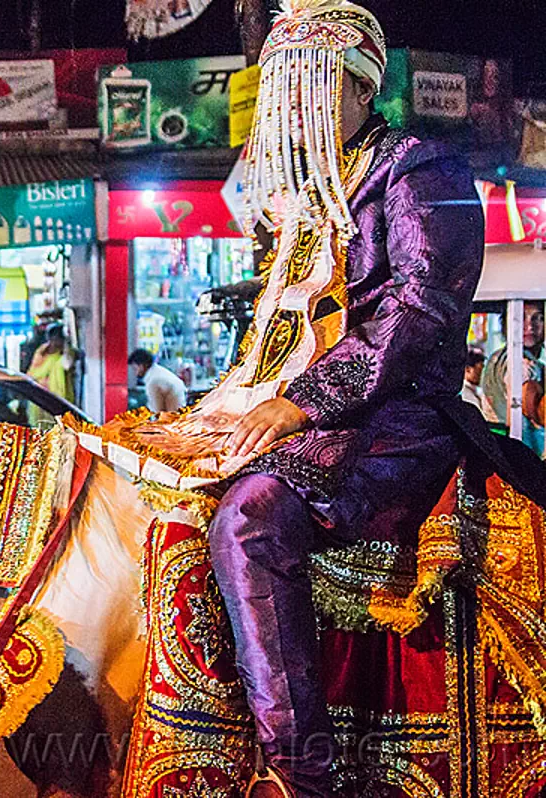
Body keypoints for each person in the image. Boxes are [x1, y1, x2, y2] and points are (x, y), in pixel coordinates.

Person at [113, 3, 487, 795]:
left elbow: (421, 308)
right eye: (286, 95)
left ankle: (300, 772)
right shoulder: (305, 197)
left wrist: (300, 401)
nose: (295, 114)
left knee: (249, 518)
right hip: (317, 416)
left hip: (399, 420)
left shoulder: (423, 170)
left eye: (309, 92)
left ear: (357, 89)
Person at [481, 301, 546, 456]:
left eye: (539, 318)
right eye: (521, 317)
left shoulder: (497, 357)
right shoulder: (522, 363)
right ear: (506, 323)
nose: (530, 327)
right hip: (526, 454)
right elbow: (532, 406)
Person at [27, 323, 76, 404]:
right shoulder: (41, 352)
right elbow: (33, 373)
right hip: (40, 399)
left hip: (59, 401)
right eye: (53, 339)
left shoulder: (63, 356)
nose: (55, 342)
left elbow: (67, 364)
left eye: (58, 339)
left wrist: (67, 346)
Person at [129, 348, 187, 413]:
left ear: (142, 366)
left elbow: (157, 412)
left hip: (172, 419)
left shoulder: (153, 381)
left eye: (135, 369)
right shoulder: (158, 371)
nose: (135, 373)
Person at [460, 347, 492, 419]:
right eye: (479, 370)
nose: (482, 374)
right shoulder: (465, 394)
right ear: (468, 369)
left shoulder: (475, 391)